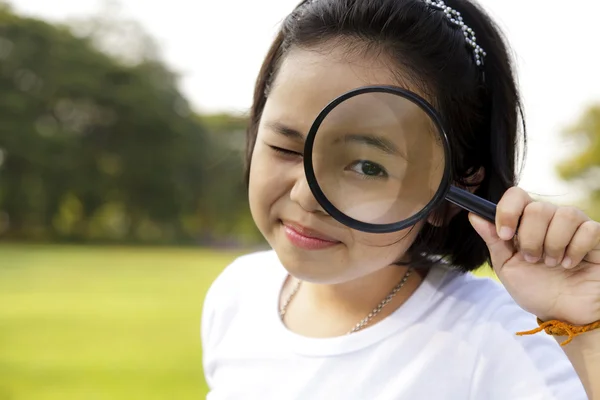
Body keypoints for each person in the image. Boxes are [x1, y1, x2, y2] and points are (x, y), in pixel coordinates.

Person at [201, 0, 600, 398]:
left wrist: (588, 331)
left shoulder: (500, 341)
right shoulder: (236, 295)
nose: (306, 196)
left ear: (452, 194)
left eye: (367, 167)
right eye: (285, 148)